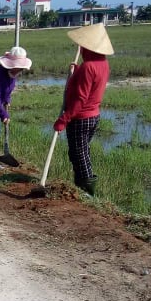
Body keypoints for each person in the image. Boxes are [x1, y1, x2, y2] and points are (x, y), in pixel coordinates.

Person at [53, 25, 114, 195]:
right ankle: (80, 187)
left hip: (81, 117)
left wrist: (64, 119)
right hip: (92, 116)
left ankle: (87, 191)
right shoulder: (101, 63)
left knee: (79, 154)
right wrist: (76, 71)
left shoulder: (89, 67)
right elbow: (91, 83)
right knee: (81, 152)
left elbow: (81, 98)